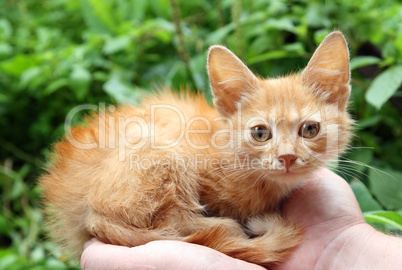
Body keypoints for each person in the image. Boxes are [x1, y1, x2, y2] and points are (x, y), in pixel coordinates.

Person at [80, 168, 402, 270]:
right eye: (261, 132)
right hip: (122, 197)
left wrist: (345, 240)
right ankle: (177, 221)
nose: (287, 153)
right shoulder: (233, 174)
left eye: (309, 129)